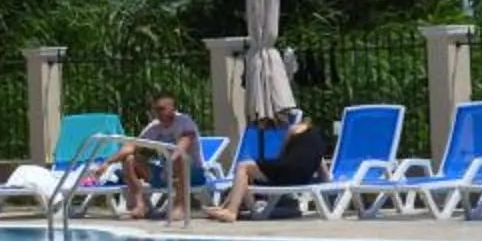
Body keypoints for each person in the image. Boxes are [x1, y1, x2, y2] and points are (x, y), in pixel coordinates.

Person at [207, 111, 331, 222]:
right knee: (248, 170)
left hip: (288, 171)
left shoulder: (295, 129)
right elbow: (323, 170)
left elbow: (282, 154)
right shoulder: (318, 141)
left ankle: (231, 211)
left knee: (243, 166)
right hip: (302, 178)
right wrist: (327, 183)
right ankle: (226, 207)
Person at [117, 93, 206, 222]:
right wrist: (106, 164)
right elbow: (132, 145)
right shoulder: (155, 126)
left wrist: (170, 164)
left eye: (162, 109)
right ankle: (140, 206)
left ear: (173, 109)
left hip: (192, 174)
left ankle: (180, 206)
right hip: (166, 173)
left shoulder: (184, 122)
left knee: (179, 157)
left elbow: (183, 145)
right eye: (156, 109)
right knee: (129, 159)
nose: (158, 113)